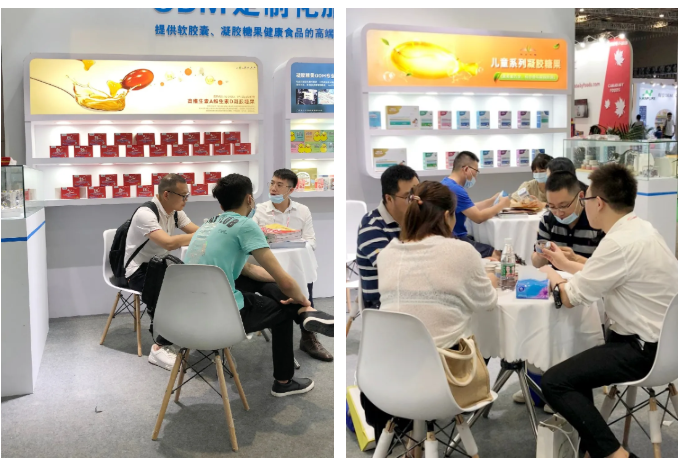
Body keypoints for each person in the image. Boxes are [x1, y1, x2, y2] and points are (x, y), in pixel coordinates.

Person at [540, 164, 678, 458]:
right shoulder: (642, 228)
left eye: (586, 198)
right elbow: (608, 275)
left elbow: (570, 297)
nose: (584, 204)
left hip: (641, 350)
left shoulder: (616, 242)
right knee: (578, 364)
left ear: (599, 203)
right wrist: (568, 264)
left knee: (555, 382)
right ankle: (591, 450)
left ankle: (617, 455)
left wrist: (552, 275)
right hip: (668, 345)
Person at [360, 180, 498, 442]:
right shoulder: (462, 252)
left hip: (382, 378)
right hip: (443, 382)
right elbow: (487, 303)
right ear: (447, 216)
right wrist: (491, 280)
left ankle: (409, 441)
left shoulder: (388, 253)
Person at [184, 174, 334, 397]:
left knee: (257, 280)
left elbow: (249, 270)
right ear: (249, 199)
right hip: (223, 314)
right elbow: (284, 279)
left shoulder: (209, 224)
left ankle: (303, 312)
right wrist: (303, 300)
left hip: (188, 311)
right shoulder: (245, 225)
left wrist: (282, 287)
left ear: (221, 203)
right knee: (283, 311)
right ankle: (284, 380)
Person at [253, 168, 332, 362]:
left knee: (305, 278)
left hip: (295, 260)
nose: (273, 188)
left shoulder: (302, 210)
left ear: (291, 189)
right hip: (268, 264)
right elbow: (252, 240)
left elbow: (312, 241)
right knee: (276, 291)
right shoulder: (259, 210)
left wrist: (294, 242)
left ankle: (308, 337)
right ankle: (302, 318)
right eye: (272, 183)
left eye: (279, 185)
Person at [124, 174, 199, 370]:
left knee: (193, 284)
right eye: (183, 195)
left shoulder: (176, 212)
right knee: (169, 294)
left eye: (187, 195)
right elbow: (168, 243)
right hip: (137, 270)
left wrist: (205, 233)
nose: (186, 200)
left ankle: (180, 333)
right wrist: (201, 235)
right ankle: (158, 348)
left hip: (160, 266)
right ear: (166, 194)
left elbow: (196, 231)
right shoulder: (145, 213)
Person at [356, 164, 419, 309]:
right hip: (385, 307)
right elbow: (395, 269)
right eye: (408, 197)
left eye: (417, 194)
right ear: (389, 198)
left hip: (413, 299)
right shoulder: (371, 226)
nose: (416, 201)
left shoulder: (416, 219)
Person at [531, 171, 605, 273]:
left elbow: (605, 269)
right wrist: (541, 255)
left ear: (581, 196)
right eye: (552, 206)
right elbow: (536, 263)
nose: (558, 213)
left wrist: (575, 259)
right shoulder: (548, 220)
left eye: (563, 206)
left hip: (588, 278)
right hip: (557, 278)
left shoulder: (597, 222)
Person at [441, 151, 510, 259]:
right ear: (466, 169)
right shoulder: (456, 189)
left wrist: (492, 200)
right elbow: (478, 217)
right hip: (457, 239)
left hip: (451, 237)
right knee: (496, 254)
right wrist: (501, 205)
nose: (476, 176)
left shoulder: (446, 183)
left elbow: (469, 208)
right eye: (476, 171)